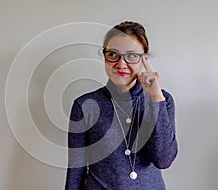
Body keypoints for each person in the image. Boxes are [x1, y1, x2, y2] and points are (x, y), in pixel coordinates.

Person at [65, 21, 178, 190]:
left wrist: (155, 98)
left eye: (132, 56)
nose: (121, 64)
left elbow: (163, 160)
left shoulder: (162, 100)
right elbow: (76, 170)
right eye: (112, 54)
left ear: (144, 59)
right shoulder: (84, 105)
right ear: (104, 56)